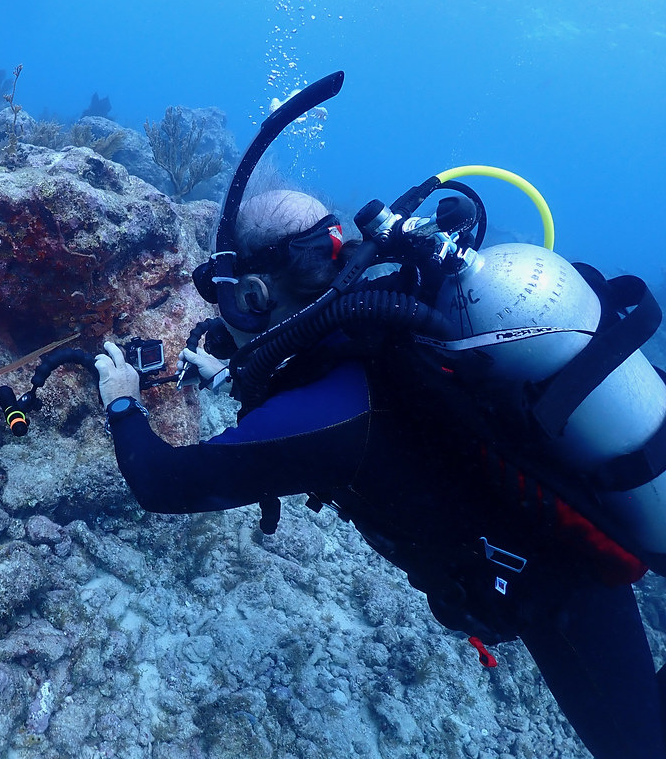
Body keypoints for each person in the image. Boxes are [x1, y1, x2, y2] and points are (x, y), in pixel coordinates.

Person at [94, 188, 666, 759]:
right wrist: (229, 373)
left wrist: (122, 402)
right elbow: (305, 394)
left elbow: (162, 482)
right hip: (564, 530)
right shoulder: (379, 326)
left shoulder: (336, 411)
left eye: (232, 302)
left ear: (254, 295)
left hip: (563, 590)